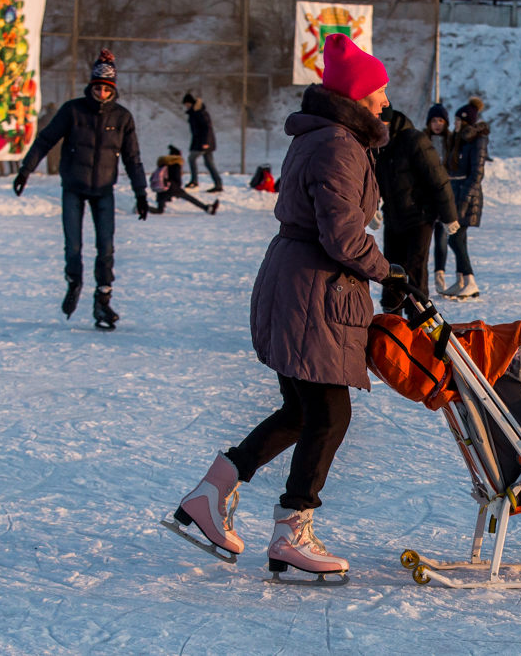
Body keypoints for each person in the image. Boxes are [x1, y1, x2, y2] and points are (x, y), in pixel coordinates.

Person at [172, 34, 405, 576]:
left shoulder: (329, 136)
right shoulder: (337, 145)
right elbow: (343, 233)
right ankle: (292, 530)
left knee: (302, 411)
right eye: (379, 93)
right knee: (328, 413)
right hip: (313, 292)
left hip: (302, 284)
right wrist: (388, 270)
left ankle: (211, 493)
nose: (386, 103)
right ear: (357, 97)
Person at [13, 49, 148, 331]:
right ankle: (74, 282)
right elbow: (45, 140)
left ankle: (102, 300)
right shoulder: (72, 111)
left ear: (113, 90)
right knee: (73, 246)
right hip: (73, 187)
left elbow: (133, 158)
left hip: (104, 191)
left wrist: (141, 193)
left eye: (106, 88)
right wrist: (26, 170)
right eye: (97, 87)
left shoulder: (122, 118)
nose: (101, 93)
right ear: (91, 87)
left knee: (106, 248)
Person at [376, 106, 459, 314]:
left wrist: (449, 215)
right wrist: (370, 206)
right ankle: (391, 321)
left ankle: (418, 319)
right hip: (394, 216)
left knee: (415, 267)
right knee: (391, 270)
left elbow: (438, 178)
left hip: (420, 216)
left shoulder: (414, 140)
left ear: (389, 122)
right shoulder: (376, 144)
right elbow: (372, 180)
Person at [438, 103, 489, 299]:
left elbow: (476, 175)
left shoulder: (477, 141)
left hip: (467, 196)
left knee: (455, 238)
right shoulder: (459, 140)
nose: (455, 123)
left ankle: (470, 280)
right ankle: (461, 281)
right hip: (455, 193)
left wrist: (464, 202)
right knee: (458, 238)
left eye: (458, 120)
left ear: (466, 121)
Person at [424, 103, 454, 295]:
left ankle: (439, 276)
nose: (437, 124)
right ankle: (422, 279)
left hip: (445, 195)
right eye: (434, 120)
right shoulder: (422, 140)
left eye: (441, 121)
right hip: (426, 196)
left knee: (442, 238)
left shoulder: (451, 141)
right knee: (425, 240)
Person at [148, 145, 219, 215]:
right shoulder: (176, 163)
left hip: (161, 189)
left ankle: (143, 207)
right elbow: (176, 177)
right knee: (189, 198)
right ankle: (207, 208)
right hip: (173, 187)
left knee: (159, 210)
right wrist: (178, 188)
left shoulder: (163, 163)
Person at [182, 93, 222, 193]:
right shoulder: (193, 113)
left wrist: (206, 143)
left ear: (191, 103)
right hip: (200, 142)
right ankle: (218, 184)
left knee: (192, 158)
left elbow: (207, 128)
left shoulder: (200, 113)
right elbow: (195, 132)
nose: (186, 106)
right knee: (209, 163)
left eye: (187, 104)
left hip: (204, 143)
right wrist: (193, 145)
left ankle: (194, 181)